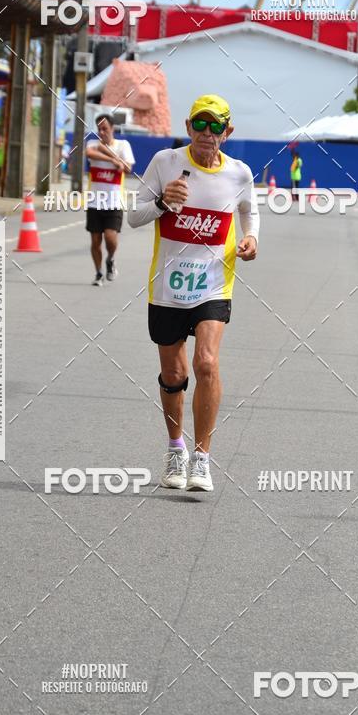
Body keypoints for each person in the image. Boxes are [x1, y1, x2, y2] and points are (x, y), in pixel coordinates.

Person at [128, 94, 259, 495]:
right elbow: (134, 216)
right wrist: (163, 202)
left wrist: (252, 237)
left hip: (214, 285)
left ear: (228, 132)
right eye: (200, 125)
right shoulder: (165, 163)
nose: (207, 133)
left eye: (216, 126)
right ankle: (175, 448)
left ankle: (202, 458)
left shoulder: (239, 173)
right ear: (188, 127)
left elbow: (249, 211)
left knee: (206, 363)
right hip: (167, 287)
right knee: (175, 374)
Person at [85, 114, 135, 285]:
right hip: (94, 201)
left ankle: (111, 259)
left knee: (110, 238)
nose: (101, 132)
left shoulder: (123, 145)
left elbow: (127, 168)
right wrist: (113, 159)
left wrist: (118, 160)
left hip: (114, 202)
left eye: (105, 128)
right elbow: (91, 152)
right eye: (99, 129)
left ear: (112, 128)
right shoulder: (92, 143)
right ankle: (98, 273)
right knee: (95, 240)